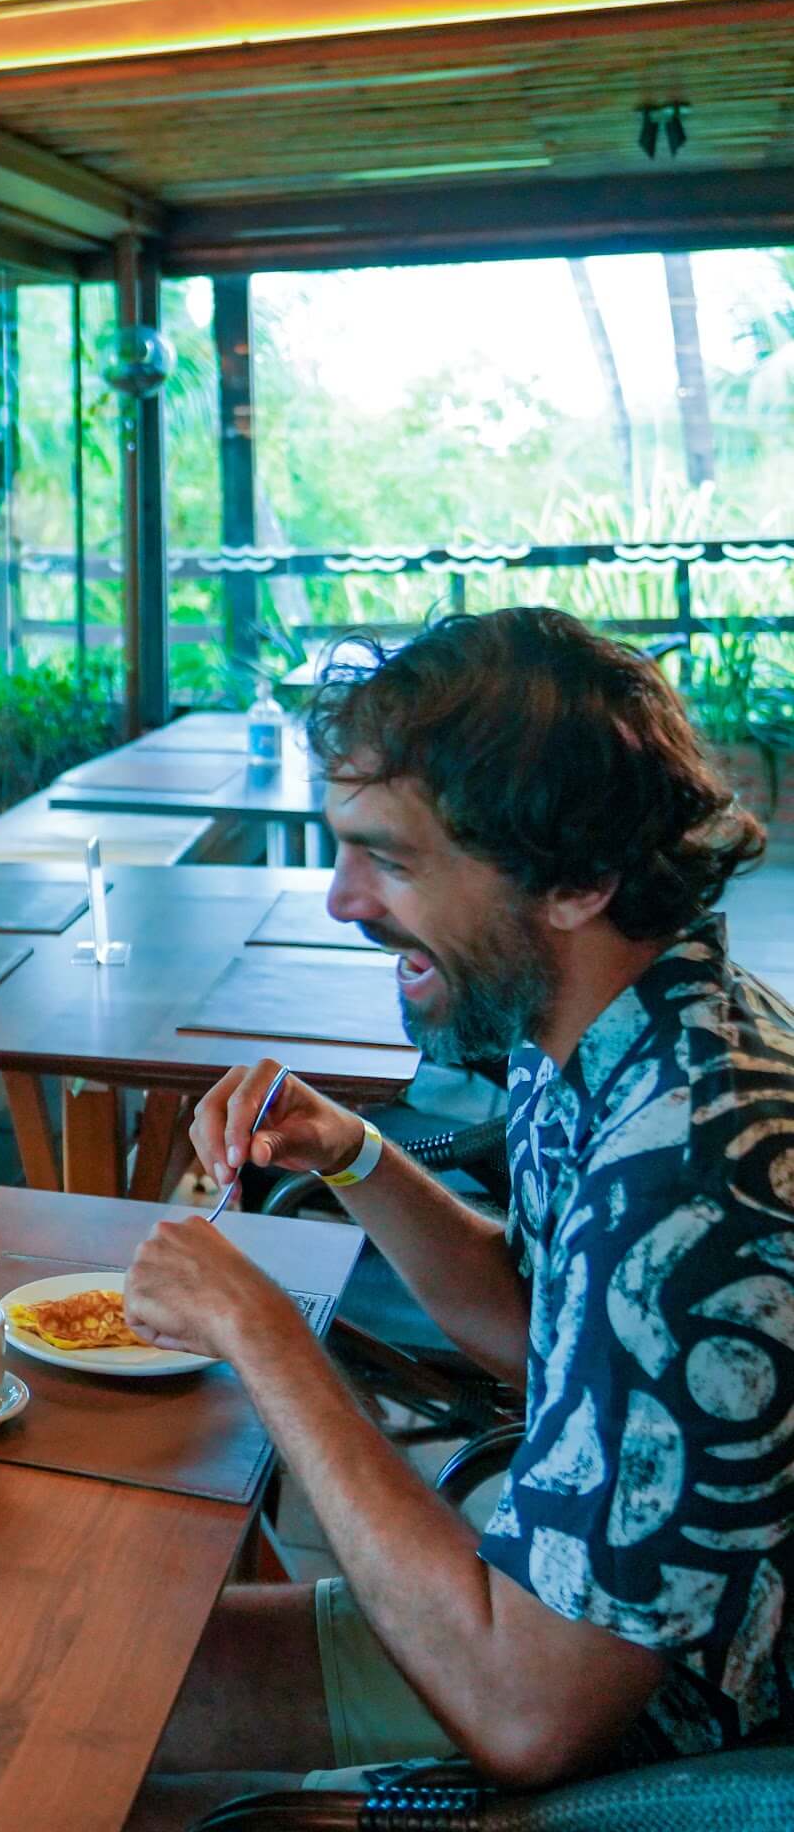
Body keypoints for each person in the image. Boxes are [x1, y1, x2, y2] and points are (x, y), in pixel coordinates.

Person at [126, 608, 789, 1802]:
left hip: (673, 1733)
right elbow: (537, 1323)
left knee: (82, 1707)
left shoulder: (691, 1179)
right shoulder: (609, 1026)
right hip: (562, 1607)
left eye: (391, 855)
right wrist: (355, 1154)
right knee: (97, 1672)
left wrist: (264, 1331)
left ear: (576, 877)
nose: (341, 897)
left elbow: (529, 1714)